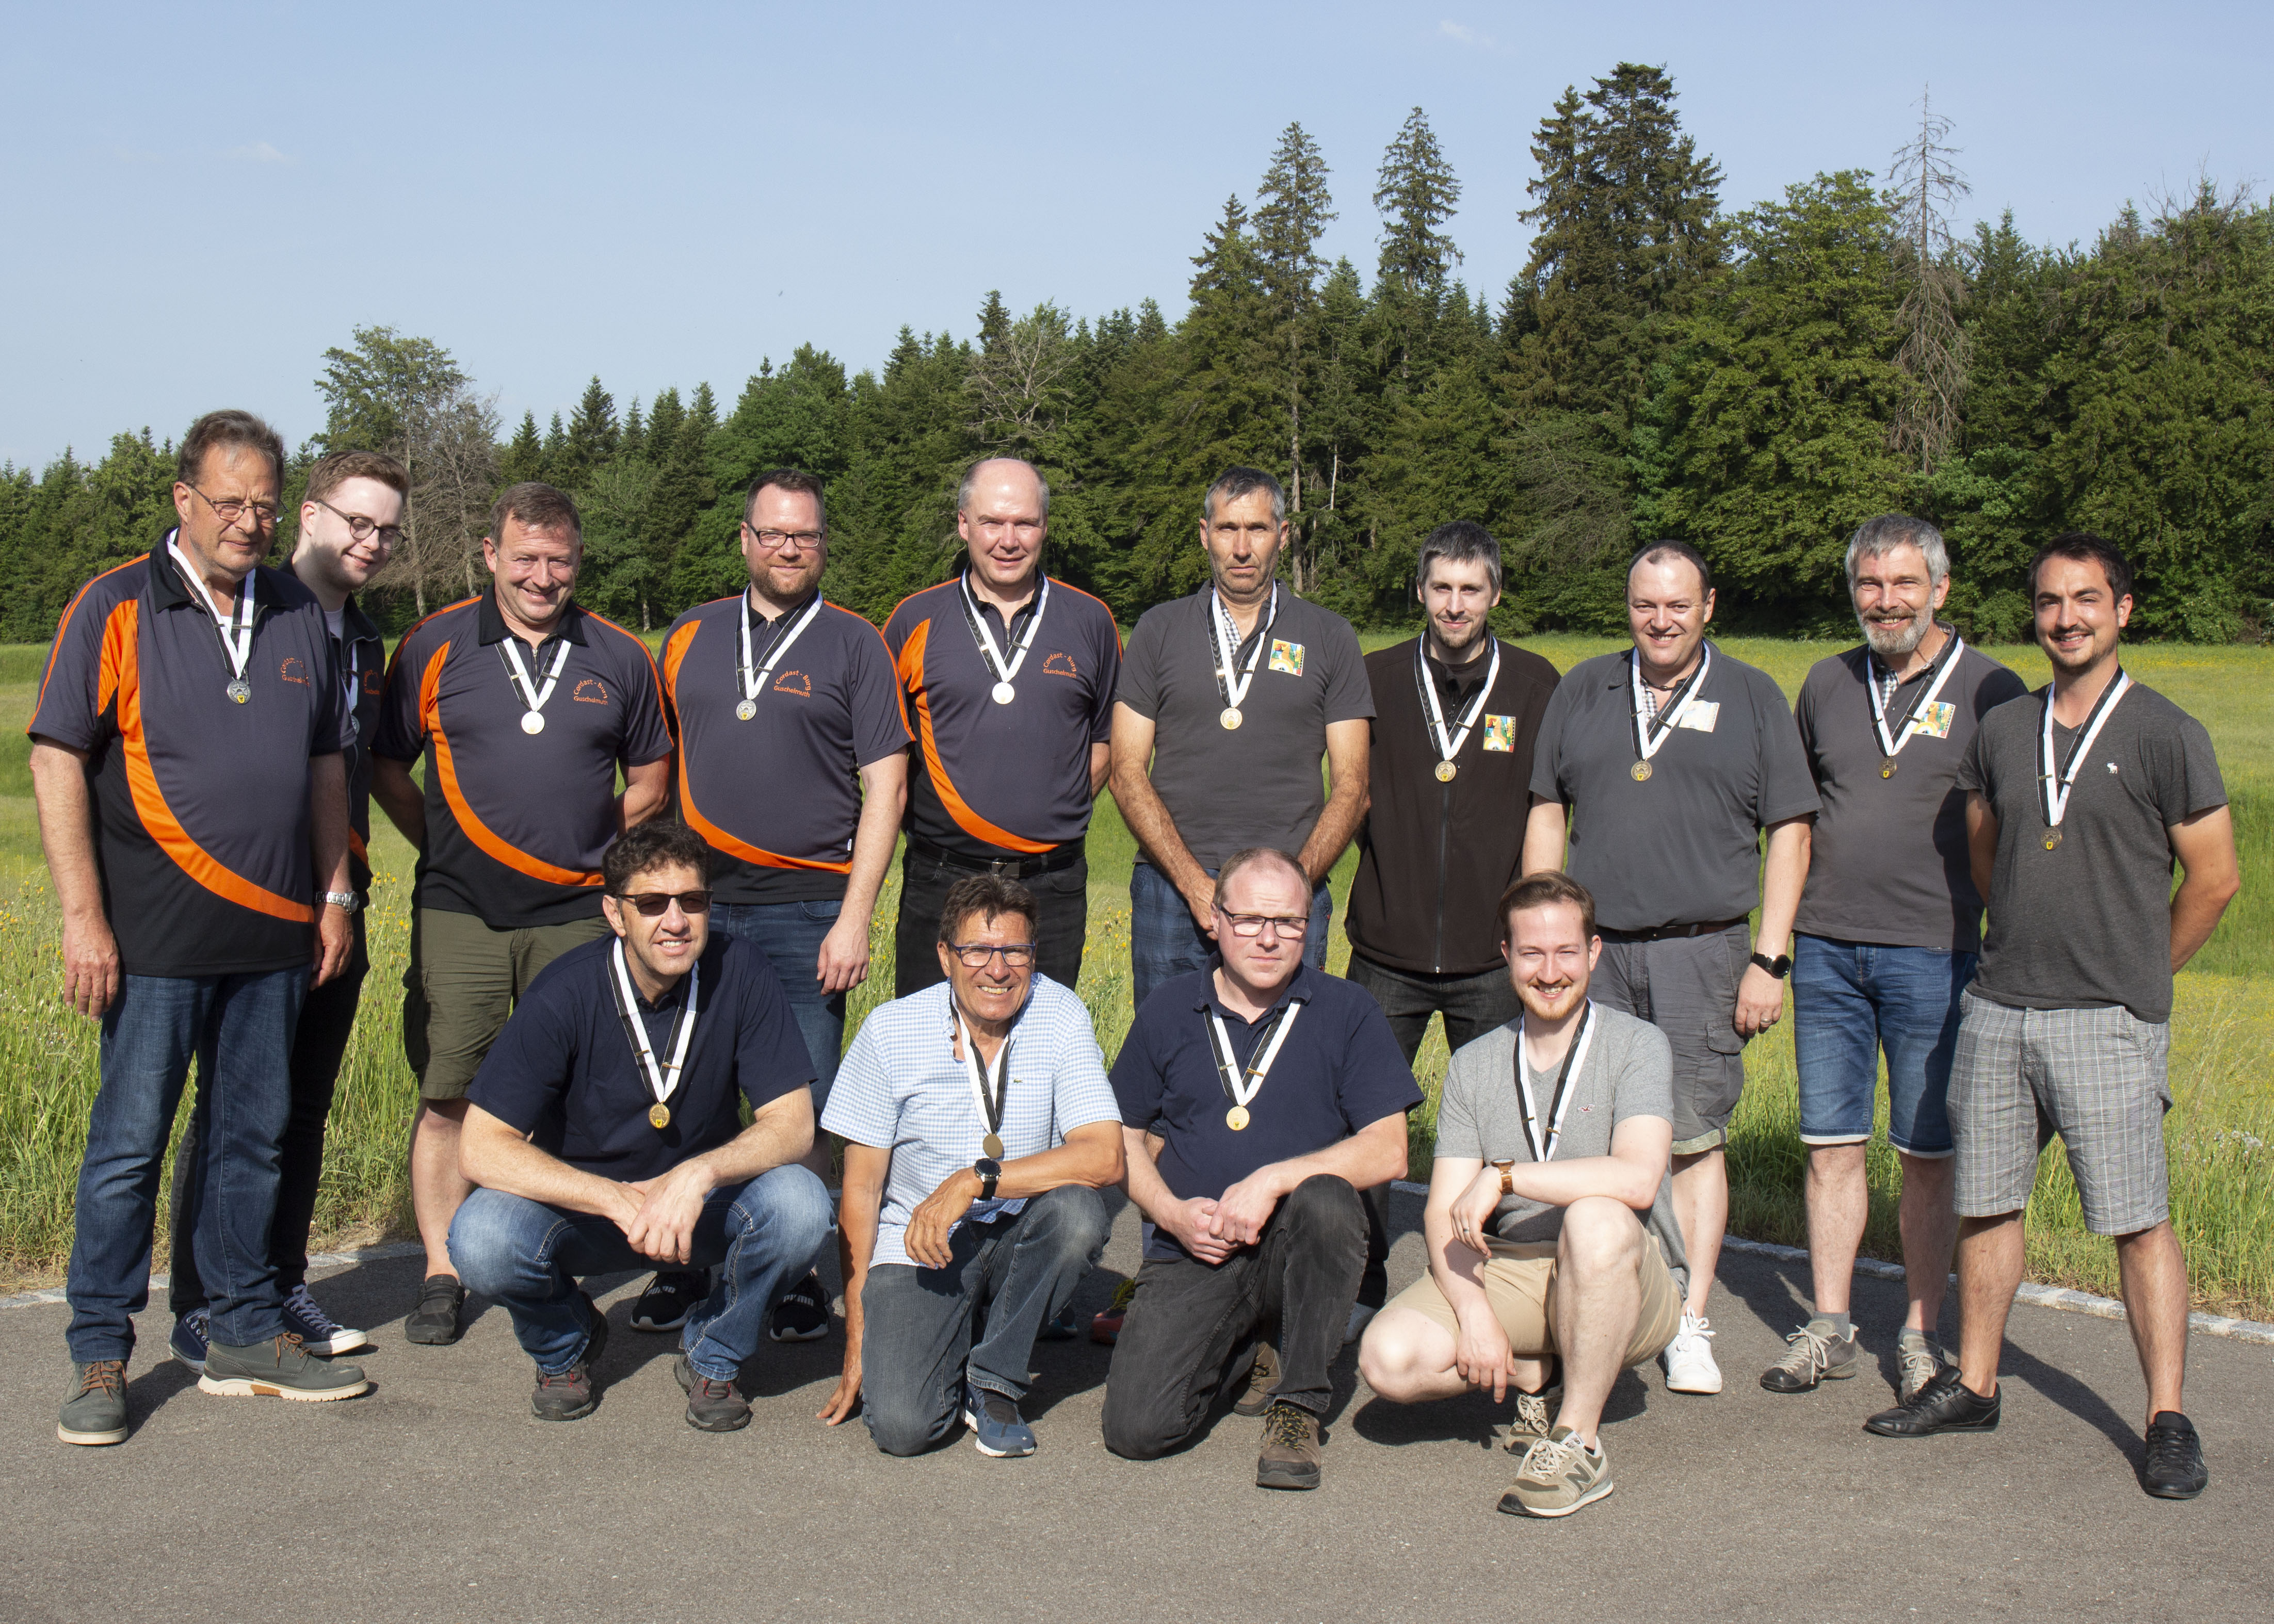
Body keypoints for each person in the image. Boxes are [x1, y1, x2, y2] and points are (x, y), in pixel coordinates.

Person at [1864, 534, 2239, 1504]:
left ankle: (2166, 1415)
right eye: (2047, 602)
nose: (2064, 617)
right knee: (1986, 1203)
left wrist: (2140, 971)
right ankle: (1977, 1384)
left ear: (2123, 609)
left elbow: (2215, 878)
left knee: (2137, 1220)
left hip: (2106, 1018)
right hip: (1998, 1007)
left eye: (2084, 599)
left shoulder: (2166, 732)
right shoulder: (2001, 726)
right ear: (2031, 615)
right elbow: (1988, 855)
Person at [35, 410, 367, 1445]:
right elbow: (56, 758)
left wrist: (336, 894)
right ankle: (100, 1351)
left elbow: (324, 767)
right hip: (151, 941)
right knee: (129, 1146)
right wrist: (83, 918)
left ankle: (240, 1333)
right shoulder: (115, 605)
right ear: (184, 500)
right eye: (230, 503)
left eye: (266, 505)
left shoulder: (296, 610)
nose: (250, 523)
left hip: (274, 935)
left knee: (251, 1143)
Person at [373, 481, 673, 1348]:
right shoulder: (432, 645)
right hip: (461, 907)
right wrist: (445, 837)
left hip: (579, 912)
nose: (543, 577)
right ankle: (441, 1266)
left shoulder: (617, 655)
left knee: (569, 1093)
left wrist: (587, 850)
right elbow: (391, 767)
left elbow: (648, 779)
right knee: (450, 1092)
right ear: (490, 554)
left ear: (579, 561)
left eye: (561, 560)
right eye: (527, 558)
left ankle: (540, 1252)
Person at [1521, 540, 1818, 1396]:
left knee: (1689, 1138)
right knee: (1583, 1133)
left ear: (1708, 606)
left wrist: (1769, 956)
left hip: (1703, 948)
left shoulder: (1753, 696)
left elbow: (1791, 832)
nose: (1660, 620)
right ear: (1628, 606)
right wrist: (1543, 934)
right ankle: (1591, 1312)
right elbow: (1548, 811)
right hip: (1596, 951)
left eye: (1677, 605)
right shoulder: (1584, 689)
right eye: (1645, 605)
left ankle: (1687, 1319)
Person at [449, 821, 833, 1429]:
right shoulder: (564, 991)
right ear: (615, 912)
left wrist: (698, 1173)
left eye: (693, 901)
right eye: (651, 903)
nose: (675, 921)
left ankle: (715, 1351)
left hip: (698, 1207)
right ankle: (564, 1345)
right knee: (480, 1236)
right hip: (588, 1211)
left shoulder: (744, 972)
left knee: (803, 1204)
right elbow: (479, 1146)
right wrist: (610, 1197)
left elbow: (792, 1124)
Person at [165, 449, 415, 1373]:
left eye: (387, 528)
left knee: (301, 1105)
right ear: (308, 515)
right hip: (250, 905)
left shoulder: (367, 639)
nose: (371, 541)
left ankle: (279, 1282)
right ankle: (203, 1301)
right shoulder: (255, 610)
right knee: (235, 1110)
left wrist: (343, 894)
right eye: (356, 520)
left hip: (336, 900)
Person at [1768, 516, 2027, 1401]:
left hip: (1938, 949)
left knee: (1926, 1151)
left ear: (1940, 589)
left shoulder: (1995, 686)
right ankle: (1831, 1323)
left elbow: (2015, 823)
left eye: (1904, 584)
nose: (1886, 602)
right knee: (1830, 1143)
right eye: (1870, 586)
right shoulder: (1827, 682)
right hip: (1828, 946)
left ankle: (1919, 1330)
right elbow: (1797, 817)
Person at [653, 467, 910, 1343]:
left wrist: (855, 913)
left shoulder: (854, 644)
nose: (788, 547)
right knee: (690, 1094)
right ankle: (683, 1263)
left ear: (822, 543)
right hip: (697, 909)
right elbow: (653, 775)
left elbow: (886, 788)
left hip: (809, 910)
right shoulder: (688, 636)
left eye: (804, 535)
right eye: (773, 533)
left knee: (798, 1103)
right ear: (744, 539)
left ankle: (792, 1272)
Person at [1359, 871, 1687, 1519]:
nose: (1550, 971)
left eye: (1567, 952)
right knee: (1386, 1360)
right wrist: (1473, 1310)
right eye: (1532, 953)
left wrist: (1507, 1175)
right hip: (1513, 1267)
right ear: (1507, 956)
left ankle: (1577, 1441)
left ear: (1593, 953)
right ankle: (1534, 1372)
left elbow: (1638, 1178)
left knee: (1595, 1217)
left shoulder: (1638, 1045)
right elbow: (1441, 1210)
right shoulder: (1475, 1062)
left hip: (1620, 1271)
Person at [1102, 847, 1420, 1490]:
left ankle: (1297, 1405)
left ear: (1310, 925)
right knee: (1136, 1430)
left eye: (1289, 921)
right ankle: (1250, 1344)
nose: (1269, 937)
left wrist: (1276, 1178)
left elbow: (1389, 1149)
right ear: (1215, 919)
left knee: (1329, 1199)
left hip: (1296, 1244)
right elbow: (1121, 1139)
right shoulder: (1168, 1008)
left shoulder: (1347, 1010)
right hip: (1197, 1244)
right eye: (1249, 919)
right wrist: (1171, 1213)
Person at [817, 875, 1122, 1457]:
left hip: (1019, 1230)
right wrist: (859, 1334)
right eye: (978, 950)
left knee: (1080, 1212)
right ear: (945, 956)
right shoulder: (890, 1029)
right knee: (905, 1429)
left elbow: (1104, 1156)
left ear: (1033, 955)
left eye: (1015, 952)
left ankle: (994, 1378)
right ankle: (967, 1325)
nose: (998, 970)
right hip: (921, 1242)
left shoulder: (1060, 1014)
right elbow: (860, 1190)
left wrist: (976, 1178)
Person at [1343, 519, 1560, 1332]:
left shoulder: (1536, 685)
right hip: (1384, 950)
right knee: (1365, 1128)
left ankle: (1501, 1292)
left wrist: (1528, 934)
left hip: (1487, 957)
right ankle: (1358, 1280)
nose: (1454, 604)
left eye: (1471, 590)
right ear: (1422, 591)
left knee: (1504, 1135)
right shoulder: (1375, 679)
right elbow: (1349, 794)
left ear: (1494, 594)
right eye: (1441, 588)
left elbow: (1548, 809)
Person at [1110, 467, 1373, 1011]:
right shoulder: (1157, 631)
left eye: (1256, 528)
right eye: (1228, 529)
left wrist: (1290, 889)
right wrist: (1190, 881)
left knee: (1285, 1064)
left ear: (1283, 535)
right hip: (1173, 889)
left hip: (1292, 889)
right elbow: (1126, 770)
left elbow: (1353, 785)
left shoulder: (1330, 636)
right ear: (1204, 533)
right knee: (1171, 1064)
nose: (1241, 547)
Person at [881, 457, 1120, 995]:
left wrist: (1047, 816)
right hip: (940, 879)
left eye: (1025, 523)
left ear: (1045, 526)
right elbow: (886, 760)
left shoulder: (1092, 621)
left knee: (1037, 1054)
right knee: (930, 1054)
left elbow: (1105, 742)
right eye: (992, 522)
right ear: (964, 523)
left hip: (1052, 887)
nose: (1008, 540)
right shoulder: (911, 621)